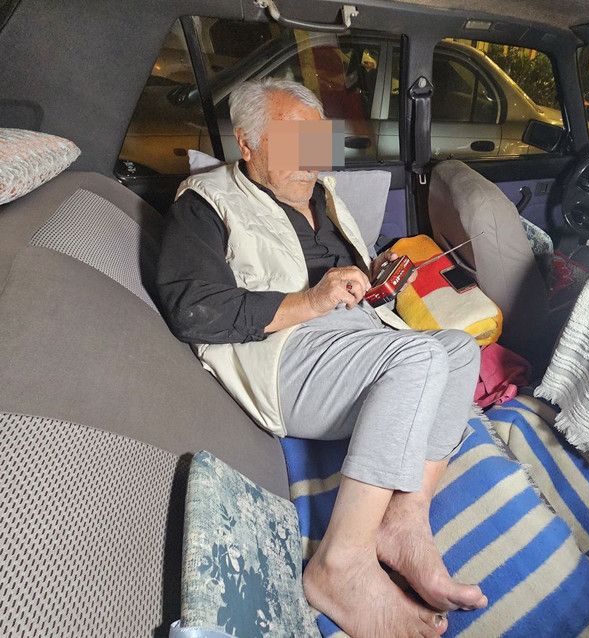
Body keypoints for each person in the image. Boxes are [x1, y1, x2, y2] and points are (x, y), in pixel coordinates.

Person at [156, 77, 487, 638]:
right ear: (247, 143)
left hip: (355, 340)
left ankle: (405, 519)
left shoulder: (324, 195)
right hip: (284, 354)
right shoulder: (205, 201)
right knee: (419, 360)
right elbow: (193, 309)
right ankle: (340, 565)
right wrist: (311, 301)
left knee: (457, 349)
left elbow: (341, 276)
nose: (311, 159)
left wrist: (374, 280)